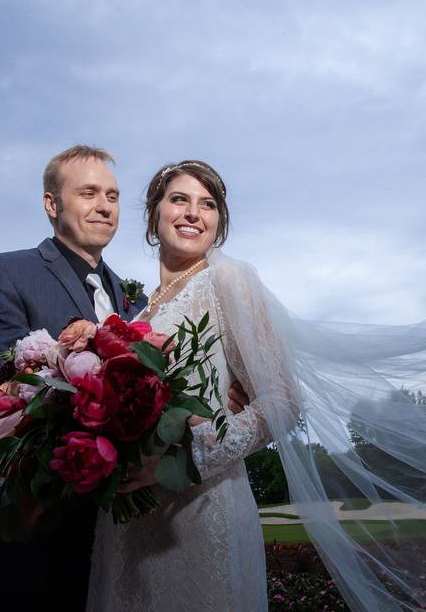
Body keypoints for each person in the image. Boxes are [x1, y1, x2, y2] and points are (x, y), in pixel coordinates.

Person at [0, 146, 252, 611]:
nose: (105, 206)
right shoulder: (1, 273)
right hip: (26, 549)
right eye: (88, 192)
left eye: (113, 194)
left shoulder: (134, 305)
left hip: (118, 546)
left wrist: (206, 410)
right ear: (52, 204)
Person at [86, 160, 300, 611]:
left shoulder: (228, 280)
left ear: (218, 223)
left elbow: (283, 401)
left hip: (201, 508)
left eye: (208, 205)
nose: (192, 213)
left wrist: (182, 458)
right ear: (153, 214)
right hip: (130, 522)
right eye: (179, 199)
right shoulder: (137, 315)